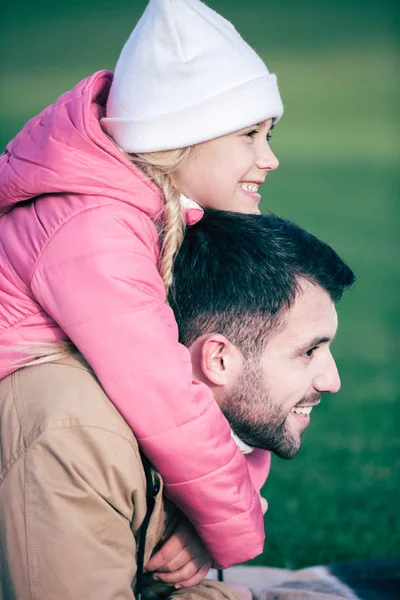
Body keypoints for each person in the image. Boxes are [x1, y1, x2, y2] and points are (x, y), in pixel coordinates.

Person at [0, 0, 283, 573]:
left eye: (269, 133)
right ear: (182, 136)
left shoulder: (173, 217)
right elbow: (164, 395)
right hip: (39, 436)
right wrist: (232, 521)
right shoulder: (94, 228)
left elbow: (227, 380)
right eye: (250, 135)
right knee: (74, 411)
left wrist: (221, 514)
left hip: (81, 433)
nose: (270, 158)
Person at [0, 210, 356, 599]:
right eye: (309, 351)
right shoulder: (75, 439)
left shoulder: (207, 435)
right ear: (218, 360)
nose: (332, 381)